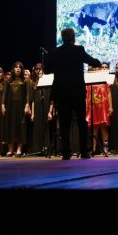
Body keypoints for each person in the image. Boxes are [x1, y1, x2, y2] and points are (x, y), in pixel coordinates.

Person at [45, 27, 101, 160]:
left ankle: (66, 152)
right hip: (77, 92)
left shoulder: (55, 52)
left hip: (61, 93)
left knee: (64, 124)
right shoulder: (78, 50)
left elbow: (47, 70)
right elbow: (93, 61)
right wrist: (98, 62)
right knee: (82, 122)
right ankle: (84, 151)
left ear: (62, 38)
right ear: (73, 37)